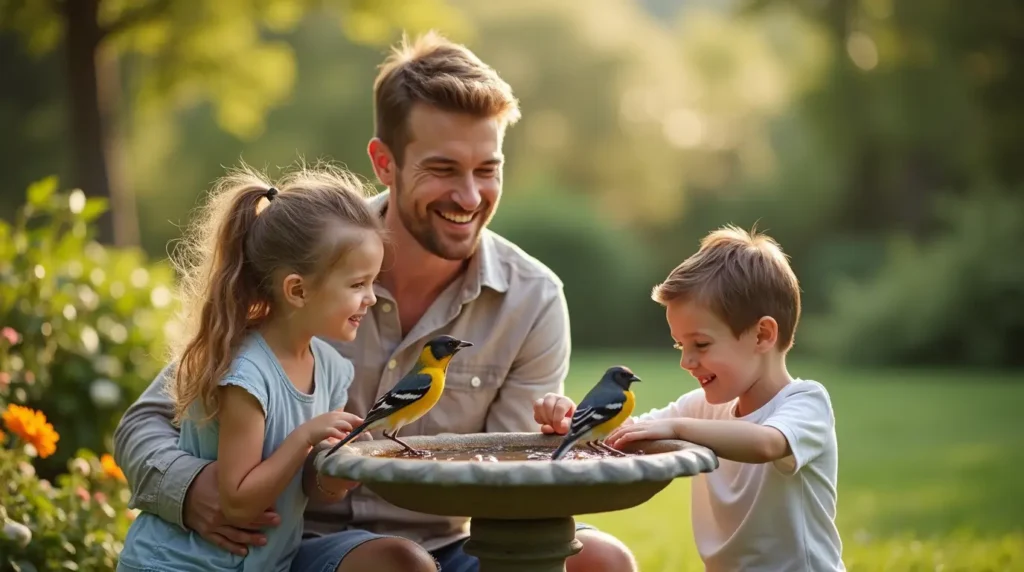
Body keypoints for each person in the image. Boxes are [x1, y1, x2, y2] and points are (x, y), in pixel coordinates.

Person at [113, 31, 637, 572]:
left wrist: (555, 441)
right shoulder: (304, 254)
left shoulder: (534, 299)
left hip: (457, 542)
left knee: (602, 561)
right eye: (442, 169)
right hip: (295, 540)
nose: (470, 196)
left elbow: (504, 476)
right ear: (384, 162)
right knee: (396, 565)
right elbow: (144, 423)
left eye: (487, 169)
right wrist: (196, 487)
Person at [116, 164, 385, 571]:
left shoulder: (330, 368)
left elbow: (305, 481)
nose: (372, 298)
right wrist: (305, 438)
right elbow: (239, 503)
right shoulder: (246, 373)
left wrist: (333, 472)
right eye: (357, 285)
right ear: (297, 290)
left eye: (373, 282)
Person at [535, 225, 845, 571]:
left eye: (701, 344)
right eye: (680, 345)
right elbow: (627, 430)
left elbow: (766, 444)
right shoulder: (701, 409)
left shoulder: (805, 403)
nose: (686, 361)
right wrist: (573, 423)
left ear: (762, 335)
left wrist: (680, 428)